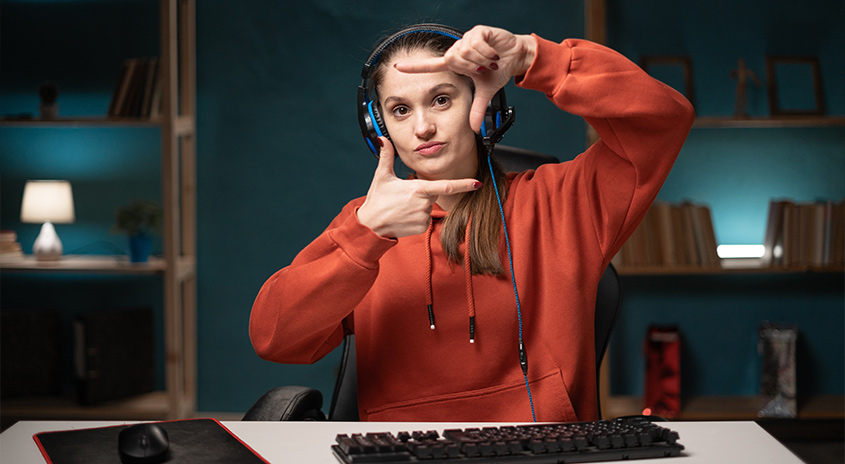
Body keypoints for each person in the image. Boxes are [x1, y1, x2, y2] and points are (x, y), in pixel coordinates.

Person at [250, 23, 694, 422]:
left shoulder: (563, 202)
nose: (422, 127)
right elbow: (274, 338)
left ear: (483, 104)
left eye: (441, 100)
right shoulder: (366, 224)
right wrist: (366, 235)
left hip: (538, 453)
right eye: (400, 110)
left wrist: (536, 58)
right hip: (400, 456)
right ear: (377, 128)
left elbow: (662, 118)